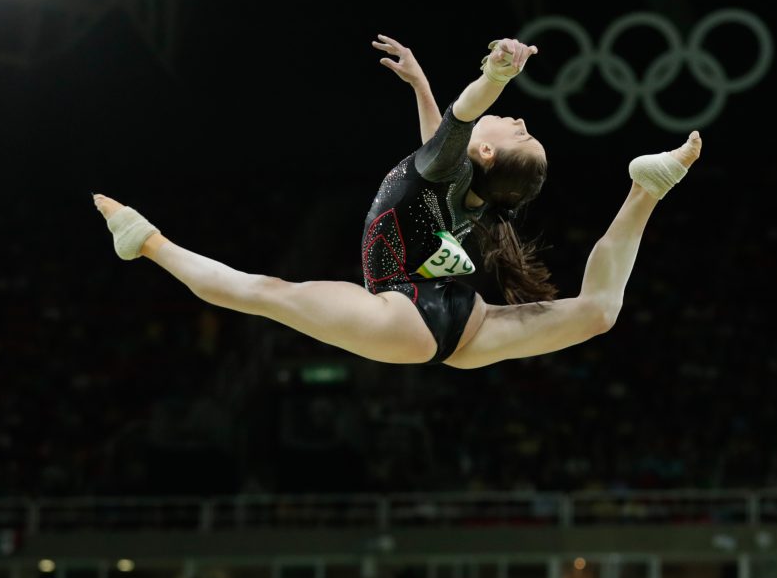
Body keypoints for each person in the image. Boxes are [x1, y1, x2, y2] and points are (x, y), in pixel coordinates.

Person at [94, 33, 701, 367]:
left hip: (403, 316)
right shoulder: (462, 191)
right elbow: (441, 139)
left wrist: (495, 76)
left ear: (484, 155)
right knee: (598, 312)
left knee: (265, 294)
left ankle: (149, 243)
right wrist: (422, 85)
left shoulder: (453, 163)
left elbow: (459, 122)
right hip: (469, 324)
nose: (515, 119)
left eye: (516, 130)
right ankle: (646, 190)